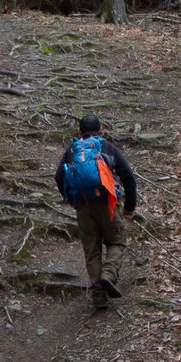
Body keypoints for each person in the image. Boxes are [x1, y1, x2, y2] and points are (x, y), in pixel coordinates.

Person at [54, 114, 138, 303]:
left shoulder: (72, 150)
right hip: (108, 203)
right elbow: (128, 177)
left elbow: (59, 176)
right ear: (101, 130)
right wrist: (129, 207)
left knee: (92, 248)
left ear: (79, 132)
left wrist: (69, 197)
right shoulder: (107, 147)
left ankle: (98, 294)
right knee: (117, 242)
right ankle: (108, 274)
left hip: (83, 205)